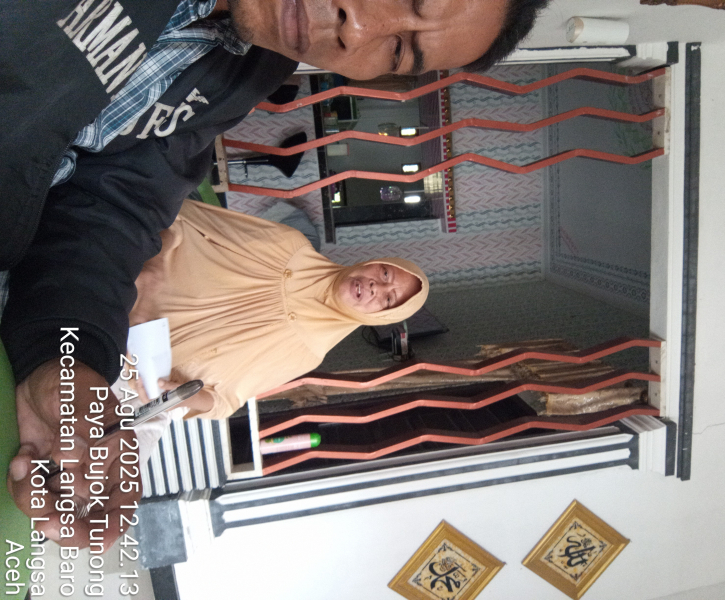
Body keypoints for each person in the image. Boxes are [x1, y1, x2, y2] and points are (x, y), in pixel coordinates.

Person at [2, 0, 550, 548]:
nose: (359, 27)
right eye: (386, 276)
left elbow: (118, 206)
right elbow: (176, 226)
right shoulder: (288, 245)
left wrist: (63, 359)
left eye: (399, 49)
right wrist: (144, 276)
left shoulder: (247, 68)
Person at [130, 200, 428, 420]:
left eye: (388, 300)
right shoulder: (286, 245)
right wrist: (151, 274)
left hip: (122, 360)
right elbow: (182, 217)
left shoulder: (306, 351)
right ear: (375, 262)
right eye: (386, 274)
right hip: (119, 270)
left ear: (379, 317)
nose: (377, 287)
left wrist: (181, 396)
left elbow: (222, 401)